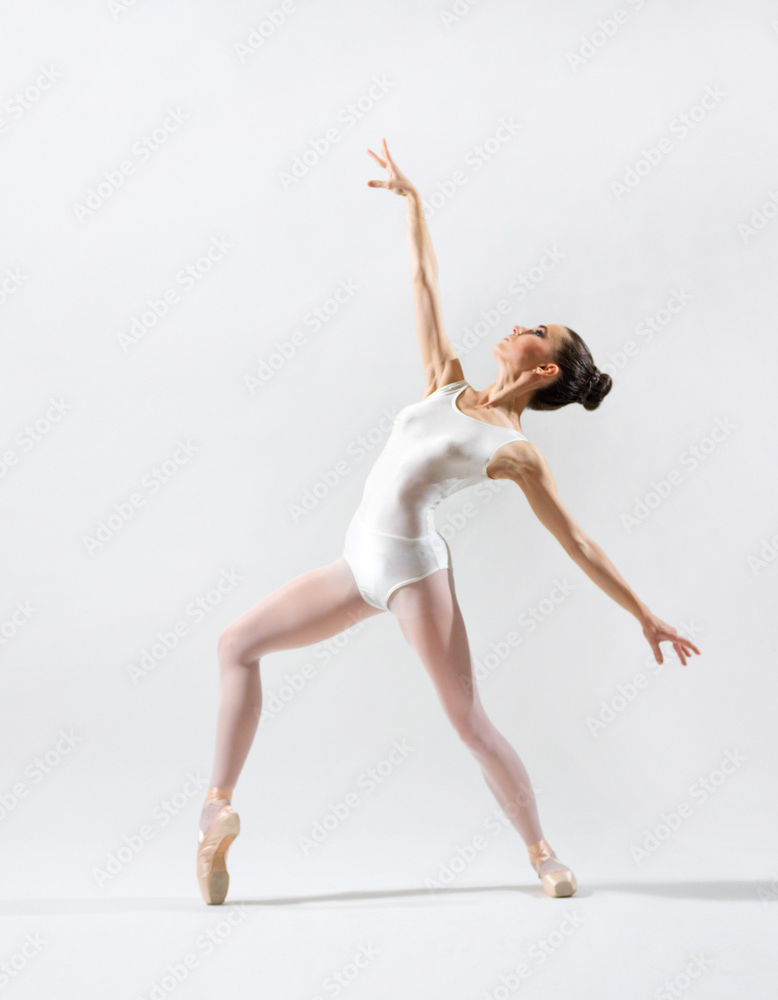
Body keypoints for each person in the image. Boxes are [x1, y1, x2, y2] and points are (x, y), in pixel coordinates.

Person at [196, 138, 701, 905]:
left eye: (537, 330)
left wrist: (644, 614)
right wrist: (414, 202)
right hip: (355, 565)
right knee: (236, 644)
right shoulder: (446, 382)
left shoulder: (513, 450)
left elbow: (576, 540)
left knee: (467, 721)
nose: (520, 324)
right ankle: (216, 811)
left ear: (545, 370)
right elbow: (423, 281)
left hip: (413, 576)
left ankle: (542, 854)